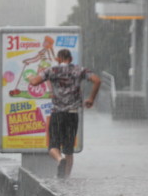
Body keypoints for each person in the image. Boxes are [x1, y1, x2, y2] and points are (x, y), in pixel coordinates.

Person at [28, 48, 101, 178]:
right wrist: (91, 99)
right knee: (69, 150)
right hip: (72, 114)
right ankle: (65, 179)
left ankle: (59, 160)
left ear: (58, 58)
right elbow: (97, 80)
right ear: (71, 59)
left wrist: (29, 77)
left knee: (53, 146)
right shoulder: (79, 70)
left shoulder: (52, 70)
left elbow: (34, 82)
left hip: (57, 113)